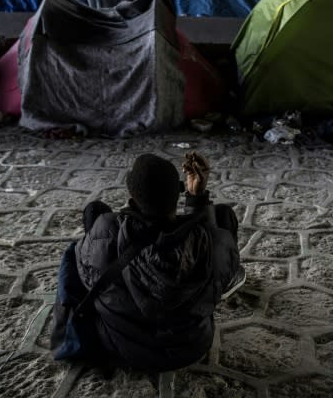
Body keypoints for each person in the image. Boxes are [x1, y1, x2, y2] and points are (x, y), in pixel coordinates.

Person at [70, 152, 245, 371]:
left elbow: (86, 275)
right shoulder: (212, 243)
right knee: (222, 215)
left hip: (123, 349)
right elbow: (216, 253)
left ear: (132, 201)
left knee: (94, 211)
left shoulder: (105, 229)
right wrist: (196, 199)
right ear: (176, 197)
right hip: (190, 348)